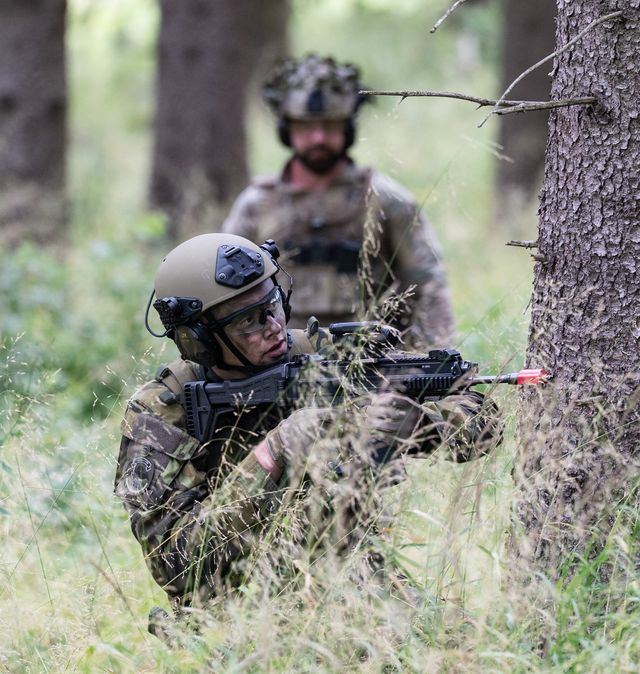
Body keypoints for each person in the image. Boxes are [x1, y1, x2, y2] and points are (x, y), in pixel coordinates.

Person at [114, 233, 499, 619]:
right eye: (247, 321)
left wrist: (420, 424)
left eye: (273, 304)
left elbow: (482, 420)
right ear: (198, 340)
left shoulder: (324, 356)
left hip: (356, 583)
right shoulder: (163, 414)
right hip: (234, 615)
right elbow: (175, 569)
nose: (273, 327)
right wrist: (272, 455)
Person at [222, 54, 454, 349]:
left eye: (330, 126)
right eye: (306, 127)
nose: (318, 137)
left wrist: (433, 358)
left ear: (347, 129)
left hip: (373, 357)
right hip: (279, 356)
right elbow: (226, 294)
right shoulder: (255, 205)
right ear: (287, 130)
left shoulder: (386, 199)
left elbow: (429, 287)